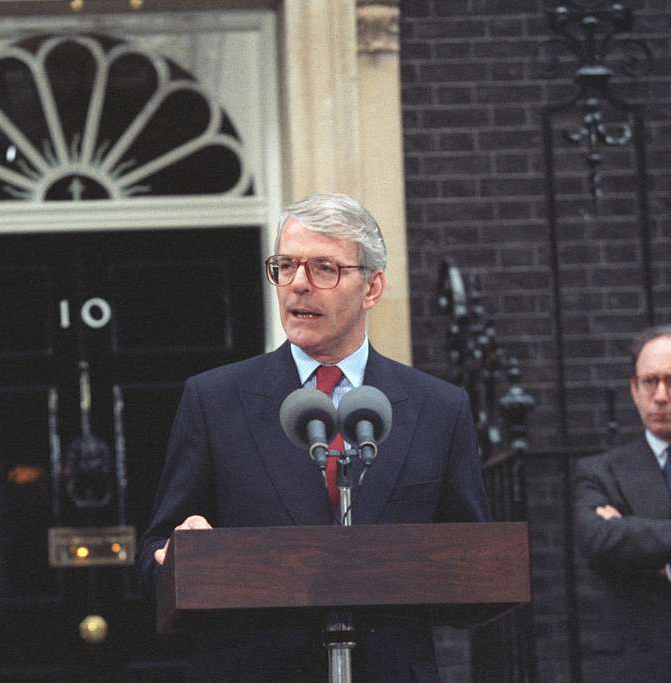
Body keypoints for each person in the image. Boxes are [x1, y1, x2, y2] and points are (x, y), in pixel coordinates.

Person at [137, 193, 490, 681]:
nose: (298, 284)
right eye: (286, 266)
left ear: (372, 288)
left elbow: (476, 566)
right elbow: (154, 554)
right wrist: (175, 556)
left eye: (324, 268)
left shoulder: (438, 408)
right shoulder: (214, 400)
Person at [574, 325, 671, 678]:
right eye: (650, 381)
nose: (661, 395)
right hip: (639, 661)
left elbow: (620, 540)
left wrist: (632, 532)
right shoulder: (601, 472)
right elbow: (598, 541)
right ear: (634, 388)